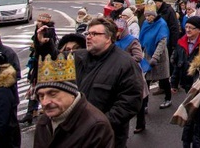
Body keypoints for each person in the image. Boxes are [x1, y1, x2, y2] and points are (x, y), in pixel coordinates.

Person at [37, 17, 143, 148]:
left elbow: (130, 103)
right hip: (74, 132)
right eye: (88, 33)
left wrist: (98, 123)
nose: (88, 37)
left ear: (108, 38)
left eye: (94, 34)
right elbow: (54, 63)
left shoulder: (125, 64)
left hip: (106, 135)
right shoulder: (78, 56)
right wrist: (45, 44)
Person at [33, 53, 114, 148]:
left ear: (71, 92)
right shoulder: (44, 121)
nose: (45, 102)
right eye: (41, 96)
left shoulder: (96, 126)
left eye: (53, 94)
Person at [21, 13, 57, 126]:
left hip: (48, 66)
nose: (38, 23)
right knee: (34, 88)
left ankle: (43, 112)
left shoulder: (49, 31)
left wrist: (44, 41)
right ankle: (30, 112)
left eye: (40, 22)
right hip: (37, 65)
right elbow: (36, 49)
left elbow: (52, 52)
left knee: (44, 89)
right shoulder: (37, 31)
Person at [139, 7, 173, 110]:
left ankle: (168, 98)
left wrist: (155, 57)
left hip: (160, 56)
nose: (147, 18)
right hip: (148, 54)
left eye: (149, 15)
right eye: (146, 16)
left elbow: (162, 43)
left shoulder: (161, 25)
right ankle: (144, 104)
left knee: (164, 79)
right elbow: (142, 38)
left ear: (154, 15)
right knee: (146, 80)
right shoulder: (146, 24)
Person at [171, 16, 200, 93]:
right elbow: (177, 64)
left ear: (199, 30)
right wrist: (174, 84)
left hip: (199, 84)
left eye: (191, 28)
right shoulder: (181, 43)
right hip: (185, 82)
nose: (188, 30)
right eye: (186, 27)